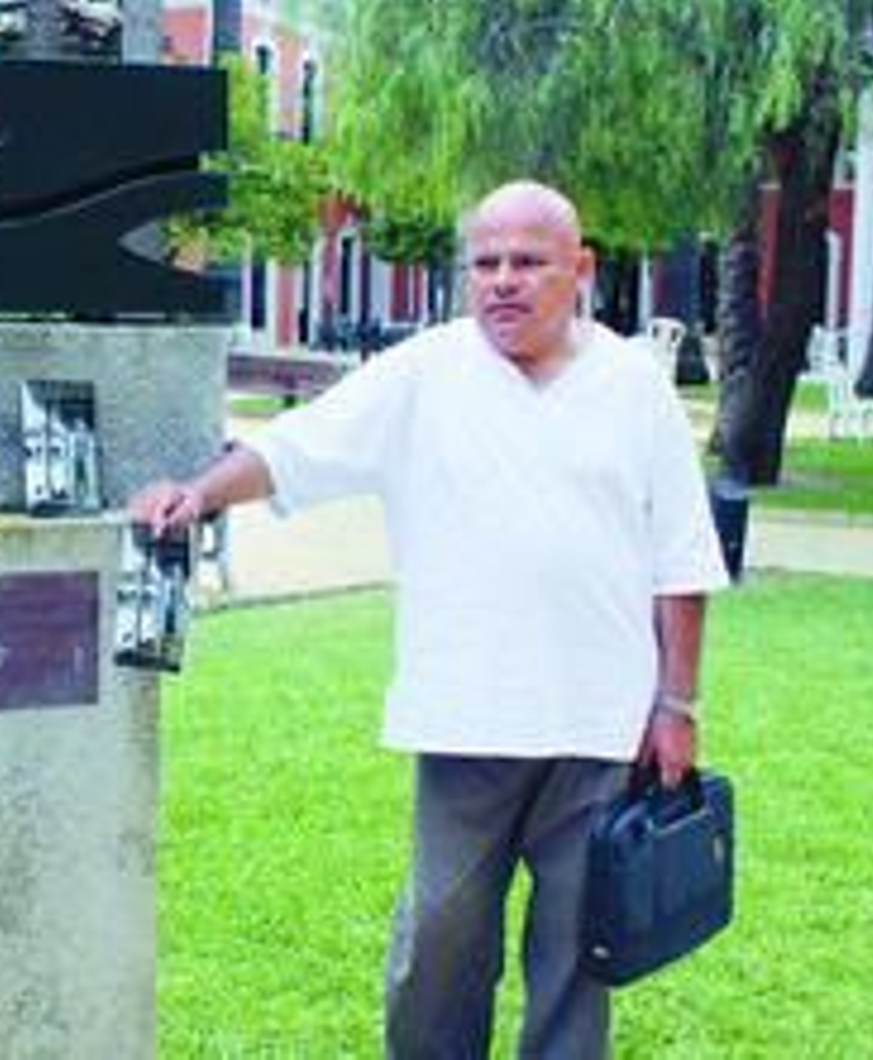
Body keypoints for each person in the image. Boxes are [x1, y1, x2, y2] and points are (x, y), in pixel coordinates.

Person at [132, 180, 728, 1058]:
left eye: (528, 262)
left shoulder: (634, 385)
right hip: (466, 720)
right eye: (485, 263)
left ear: (581, 270)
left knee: (573, 963)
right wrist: (200, 494)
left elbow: (681, 557)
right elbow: (295, 448)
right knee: (438, 953)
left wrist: (675, 706)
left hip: (600, 727)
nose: (503, 281)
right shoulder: (425, 370)